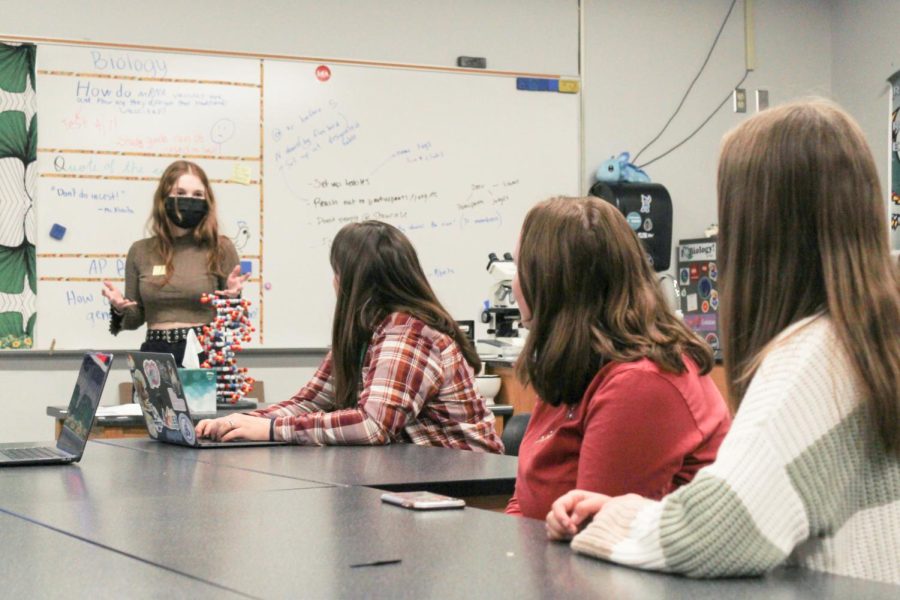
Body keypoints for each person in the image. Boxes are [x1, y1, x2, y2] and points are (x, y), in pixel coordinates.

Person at [546, 100, 900, 585]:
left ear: (758, 232)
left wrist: (611, 520)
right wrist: (630, 509)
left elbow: (719, 532)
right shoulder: (875, 336)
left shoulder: (816, 358)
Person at [505, 196, 731, 520]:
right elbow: (524, 503)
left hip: (610, 566)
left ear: (553, 281)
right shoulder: (572, 363)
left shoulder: (639, 384)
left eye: (519, 268)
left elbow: (594, 530)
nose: (514, 283)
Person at [196, 220, 504, 453]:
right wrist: (241, 421)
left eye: (337, 272)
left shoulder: (408, 333)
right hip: (416, 474)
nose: (333, 281)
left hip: (464, 483)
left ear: (353, 280)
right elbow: (309, 402)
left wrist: (274, 429)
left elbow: (372, 426)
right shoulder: (368, 329)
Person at [101, 160, 249, 367]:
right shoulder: (140, 251)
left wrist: (233, 300)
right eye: (180, 193)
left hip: (204, 355)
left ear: (207, 201)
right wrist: (119, 309)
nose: (189, 200)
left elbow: (236, 325)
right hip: (155, 354)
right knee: (151, 401)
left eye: (197, 195)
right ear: (164, 199)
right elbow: (134, 320)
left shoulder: (221, 248)